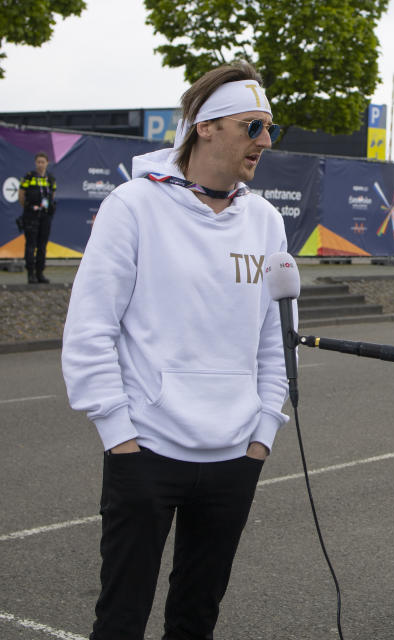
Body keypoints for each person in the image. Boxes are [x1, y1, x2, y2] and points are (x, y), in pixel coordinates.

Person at [61, 60, 289, 640]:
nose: (265, 141)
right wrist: (119, 433)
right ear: (206, 127)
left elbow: (274, 337)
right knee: (120, 620)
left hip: (235, 455)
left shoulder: (264, 220)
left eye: (269, 128)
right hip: (147, 453)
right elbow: (91, 329)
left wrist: (263, 431)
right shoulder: (133, 206)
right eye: (252, 127)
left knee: (196, 619)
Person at [18, 151, 57, 284]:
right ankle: (31, 274)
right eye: (38, 162)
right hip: (31, 215)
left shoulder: (50, 178)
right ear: (35, 163)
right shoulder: (29, 177)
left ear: (47, 163)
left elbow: (52, 196)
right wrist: (29, 208)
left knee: (42, 245)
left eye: (43, 162)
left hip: (45, 216)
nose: (40, 164)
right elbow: (21, 196)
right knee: (30, 245)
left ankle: (40, 273)